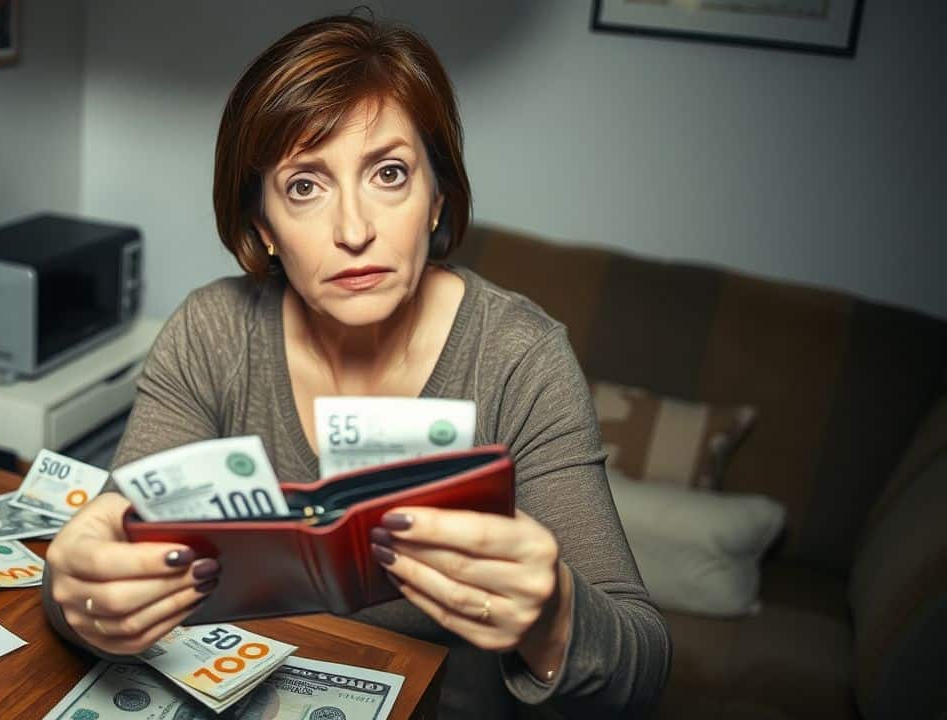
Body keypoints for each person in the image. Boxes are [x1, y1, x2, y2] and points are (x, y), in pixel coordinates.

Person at [43, 12, 670, 718]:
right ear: (262, 228)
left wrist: (554, 612)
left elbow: (641, 669)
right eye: (305, 186)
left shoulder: (519, 357)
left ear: (437, 198)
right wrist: (78, 594)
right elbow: (98, 564)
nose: (353, 230)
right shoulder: (212, 331)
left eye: (390, 173)